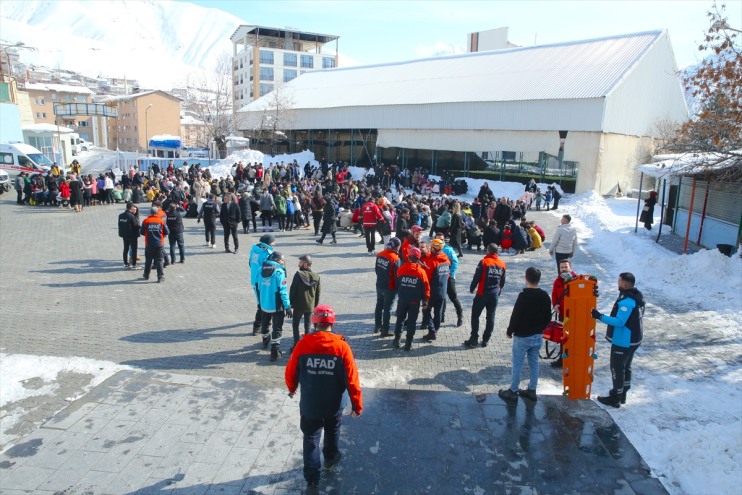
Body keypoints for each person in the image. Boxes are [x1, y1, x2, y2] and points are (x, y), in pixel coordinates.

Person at [285, 305, 363, 495]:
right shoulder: (342, 346)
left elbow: (290, 371)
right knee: (332, 429)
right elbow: (352, 379)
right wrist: (357, 405)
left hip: (310, 404)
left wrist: (292, 388)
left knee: (311, 438)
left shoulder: (303, 345)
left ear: (314, 322)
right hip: (334, 404)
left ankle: (312, 481)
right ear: (332, 322)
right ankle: (330, 458)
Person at [498, 267, 553, 403]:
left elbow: (516, 315)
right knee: (534, 363)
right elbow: (548, 316)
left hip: (522, 336)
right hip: (537, 335)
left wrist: (510, 331)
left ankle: (513, 390)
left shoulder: (523, 296)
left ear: (526, 278)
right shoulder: (545, 296)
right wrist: (542, 328)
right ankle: (532, 389)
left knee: (517, 363)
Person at [592, 272, 645, 408]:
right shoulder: (636, 297)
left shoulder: (627, 301)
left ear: (624, 284)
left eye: (619, 281)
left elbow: (620, 321)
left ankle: (615, 397)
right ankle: (622, 395)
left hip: (624, 341)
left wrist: (599, 316)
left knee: (617, 368)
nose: (617, 283)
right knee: (626, 367)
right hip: (634, 340)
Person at [464, 243, 507, 348]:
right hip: (494, 295)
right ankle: (486, 339)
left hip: (482, 294)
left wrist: (472, 288)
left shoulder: (484, 262)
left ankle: (474, 339)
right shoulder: (502, 264)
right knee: (491, 317)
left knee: (475, 316)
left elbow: (477, 277)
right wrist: (498, 291)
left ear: (488, 251)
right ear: (497, 252)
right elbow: (502, 281)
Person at [393, 247, 430, 351]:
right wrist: (425, 300)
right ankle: (408, 342)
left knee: (400, 319)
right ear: (418, 258)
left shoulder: (401, 269)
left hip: (402, 299)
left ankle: (397, 340)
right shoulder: (421, 272)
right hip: (414, 302)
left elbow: (398, 283)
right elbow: (426, 287)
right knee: (412, 322)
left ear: (409, 256)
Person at [259, 251, 293, 361]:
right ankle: (275, 351)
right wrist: (287, 306)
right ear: (278, 260)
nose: (283, 262)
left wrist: (259, 301)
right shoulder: (279, 272)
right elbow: (283, 291)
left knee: (265, 323)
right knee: (277, 327)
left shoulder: (260, 269)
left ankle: (265, 338)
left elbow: (257, 286)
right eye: (282, 260)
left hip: (264, 303)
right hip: (276, 305)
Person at [420, 238, 451, 341]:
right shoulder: (446, 259)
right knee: (438, 313)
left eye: (431, 247)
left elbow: (427, 278)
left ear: (434, 248)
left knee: (426, 310)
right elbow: (447, 274)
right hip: (442, 291)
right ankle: (435, 331)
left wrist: (424, 268)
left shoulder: (432, 262)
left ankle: (432, 330)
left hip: (432, 292)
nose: (429, 248)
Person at [550, 259, 578, 368]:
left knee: (574, 338)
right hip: (563, 315)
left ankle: (573, 360)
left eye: (565, 267)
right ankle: (562, 359)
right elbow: (554, 295)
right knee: (563, 338)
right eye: (561, 267)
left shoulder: (576, 280)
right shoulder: (557, 281)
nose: (563, 269)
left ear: (570, 267)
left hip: (574, 316)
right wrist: (555, 305)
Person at [289, 255, 321, 351]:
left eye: (300, 262)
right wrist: (315, 305)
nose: (298, 264)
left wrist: (290, 303)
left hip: (299, 305)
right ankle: (307, 346)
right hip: (310, 305)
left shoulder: (299, 274)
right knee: (308, 326)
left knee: (295, 325)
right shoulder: (317, 276)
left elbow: (292, 289)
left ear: (305, 264)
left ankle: (296, 345)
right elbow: (318, 293)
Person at [374, 237, 402, 337]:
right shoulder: (395, 259)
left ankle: (377, 325)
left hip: (379, 285)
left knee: (379, 306)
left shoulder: (380, 254)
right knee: (387, 309)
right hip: (390, 288)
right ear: (397, 247)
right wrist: (399, 289)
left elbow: (376, 269)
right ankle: (385, 330)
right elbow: (397, 276)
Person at [436, 233, 464, 327]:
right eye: (438, 240)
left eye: (442, 240)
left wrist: (450, 275)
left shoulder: (448, 249)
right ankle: (441, 316)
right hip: (439, 277)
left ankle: (460, 315)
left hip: (448, 277)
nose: (440, 242)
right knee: (441, 297)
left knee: (453, 297)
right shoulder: (433, 248)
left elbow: (455, 262)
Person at [250, 234, 276, 334]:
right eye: (273, 241)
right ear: (269, 242)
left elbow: (250, 263)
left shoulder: (254, 249)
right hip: (262, 281)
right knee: (262, 304)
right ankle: (258, 325)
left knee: (260, 302)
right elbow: (268, 269)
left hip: (254, 279)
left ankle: (260, 324)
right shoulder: (267, 252)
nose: (274, 243)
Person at [140, 206, 169, 283]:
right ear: (157, 213)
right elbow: (167, 232)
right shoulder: (161, 221)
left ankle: (146, 275)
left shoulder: (146, 221)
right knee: (159, 261)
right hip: (159, 244)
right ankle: (160, 277)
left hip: (149, 244)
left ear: (150, 212)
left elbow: (142, 232)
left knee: (148, 261)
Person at [118, 202, 140, 269]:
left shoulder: (121, 215)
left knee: (125, 249)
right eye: (133, 207)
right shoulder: (131, 216)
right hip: (132, 235)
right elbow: (136, 226)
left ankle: (125, 263)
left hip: (124, 235)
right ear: (131, 208)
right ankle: (134, 264)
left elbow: (120, 225)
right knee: (134, 249)